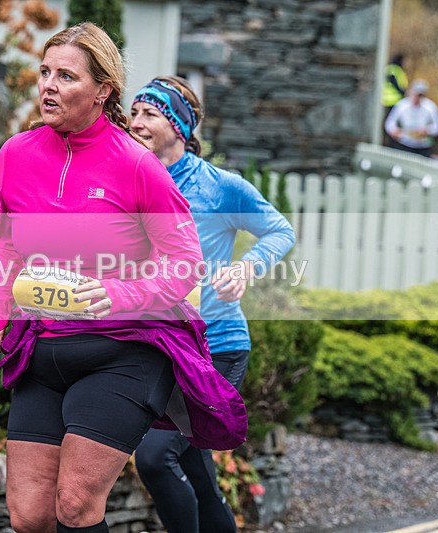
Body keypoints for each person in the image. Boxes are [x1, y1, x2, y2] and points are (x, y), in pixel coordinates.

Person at [0, 24, 247, 533]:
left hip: (125, 351)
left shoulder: (137, 165)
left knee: (75, 504)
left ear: (102, 90)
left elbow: (185, 261)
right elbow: (8, 245)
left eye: (66, 76)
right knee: (29, 516)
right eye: (46, 72)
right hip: (44, 346)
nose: (48, 86)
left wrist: (120, 293)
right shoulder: (15, 155)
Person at [130, 76, 295, 533]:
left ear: (179, 127)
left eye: (150, 113)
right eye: (135, 112)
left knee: (156, 457)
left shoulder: (220, 187)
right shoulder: (130, 179)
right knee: (200, 478)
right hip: (157, 346)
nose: (136, 121)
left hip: (215, 348)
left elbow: (280, 230)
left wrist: (245, 267)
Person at [385, 79, 438, 158]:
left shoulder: (430, 107)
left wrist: (428, 130)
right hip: (405, 144)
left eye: (421, 95)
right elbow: (390, 122)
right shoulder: (402, 105)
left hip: (423, 146)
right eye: (416, 94)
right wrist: (394, 131)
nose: (418, 98)